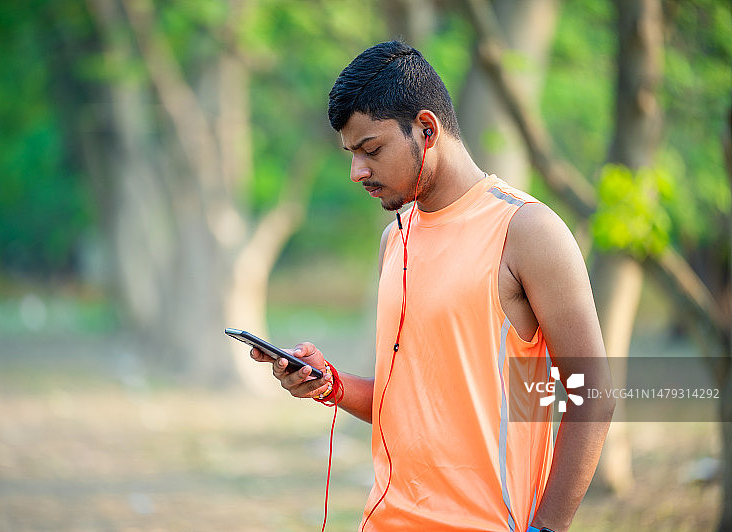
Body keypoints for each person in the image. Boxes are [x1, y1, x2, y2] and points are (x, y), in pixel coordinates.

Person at [250, 40, 615, 532]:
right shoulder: (394, 239)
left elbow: (591, 390)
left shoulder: (526, 231)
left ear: (426, 130)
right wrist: (331, 384)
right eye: (351, 154)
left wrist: (547, 528)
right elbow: (409, 401)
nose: (358, 172)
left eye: (371, 150)